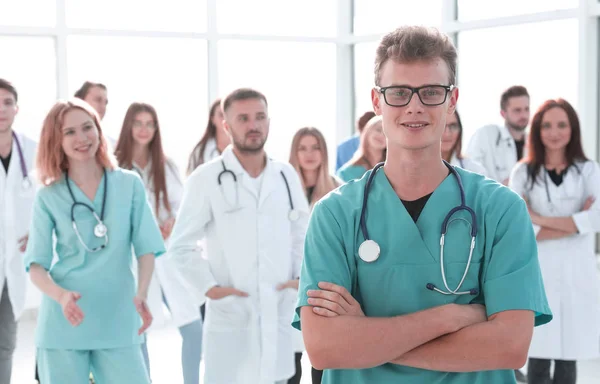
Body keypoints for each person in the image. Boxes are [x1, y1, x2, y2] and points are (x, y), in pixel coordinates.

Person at [292, 26, 552, 384]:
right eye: (399, 92)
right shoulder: (334, 214)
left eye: (431, 92)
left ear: (452, 100)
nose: (414, 106)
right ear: (377, 101)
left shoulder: (501, 210)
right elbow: (324, 347)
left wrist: (366, 337)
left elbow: (509, 346)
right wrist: (450, 318)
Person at [168, 88, 309, 384]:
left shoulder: (286, 176)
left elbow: (302, 236)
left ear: (269, 122)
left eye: (260, 117)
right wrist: (209, 288)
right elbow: (180, 246)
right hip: (231, 315)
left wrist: (299, 281)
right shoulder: (206, 179)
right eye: (243, 118)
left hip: (279, 310)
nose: (253, 125)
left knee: (281, 376)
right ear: (227, 126)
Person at [24, 98, 164, 383]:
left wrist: (142, 293)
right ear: (56, 141)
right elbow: (36, 266)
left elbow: (146, 247)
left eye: (88, 127)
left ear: (99, 130)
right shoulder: (49, 196)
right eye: (70, 132)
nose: (82, 138)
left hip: (118, 315)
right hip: (65, 319)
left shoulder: (128, 184)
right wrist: (61, 296)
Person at [508, 99, 600, 384]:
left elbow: (596, 220)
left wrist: (538, 218)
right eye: (547, 125)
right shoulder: (522, 172)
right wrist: (576, 223)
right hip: (539, 273)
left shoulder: (588, 170)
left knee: (568, 356)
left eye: (562, 124)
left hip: (576, 273)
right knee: (537, 353)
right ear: (537, 130)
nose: (554, 132)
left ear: (572, 129)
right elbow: (519, 227)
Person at [115, 102, 203, 384]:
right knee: (139, 329)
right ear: (128, 127)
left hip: (168, 256)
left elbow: (183, 205)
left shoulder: (166, 165)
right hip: (135, 258)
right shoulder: (115, 166)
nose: (143, 129)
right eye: (138, 123)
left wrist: (172, 221)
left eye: (149, 124)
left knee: (193, 327)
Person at [288, 127, 341, 384]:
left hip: (322, 289)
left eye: (315, 147)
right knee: (290, 367)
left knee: (321, 363)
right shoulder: (282, 190)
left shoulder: (338, 191)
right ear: (294, 153)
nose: (309, 154)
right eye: (302, 148)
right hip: (287, 287)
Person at [0, 78, 37, 383]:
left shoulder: (32, 150)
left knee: (6, 344)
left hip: (14, 260)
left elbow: (49, 200)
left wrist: (36, 231)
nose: (2, 109)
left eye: (7, 102)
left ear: (16, 108)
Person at [466, 85, 530, 185]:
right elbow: (469, 173)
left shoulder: (535, 143)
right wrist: (499, 188)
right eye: (517, 110)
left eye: (526, 109)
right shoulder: (485, 135)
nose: (523, 115)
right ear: (503, 113)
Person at [187, 98, 231, 175]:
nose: (225, 119)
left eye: (228, 115)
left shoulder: (244, 147)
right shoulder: (200, 151)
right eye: (221, 115)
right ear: (212, 119)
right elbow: (191, 181)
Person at [336, 116, 386, 182]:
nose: (381, 135)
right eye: (378, 130)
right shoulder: (345, 173)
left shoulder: (394, 170)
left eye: (386, 134)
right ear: (368, 131)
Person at [441, 110, 487, 175]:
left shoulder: (475, 171)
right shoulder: (422, 169)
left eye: (453, 126)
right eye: (442, 126)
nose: (447, 134)